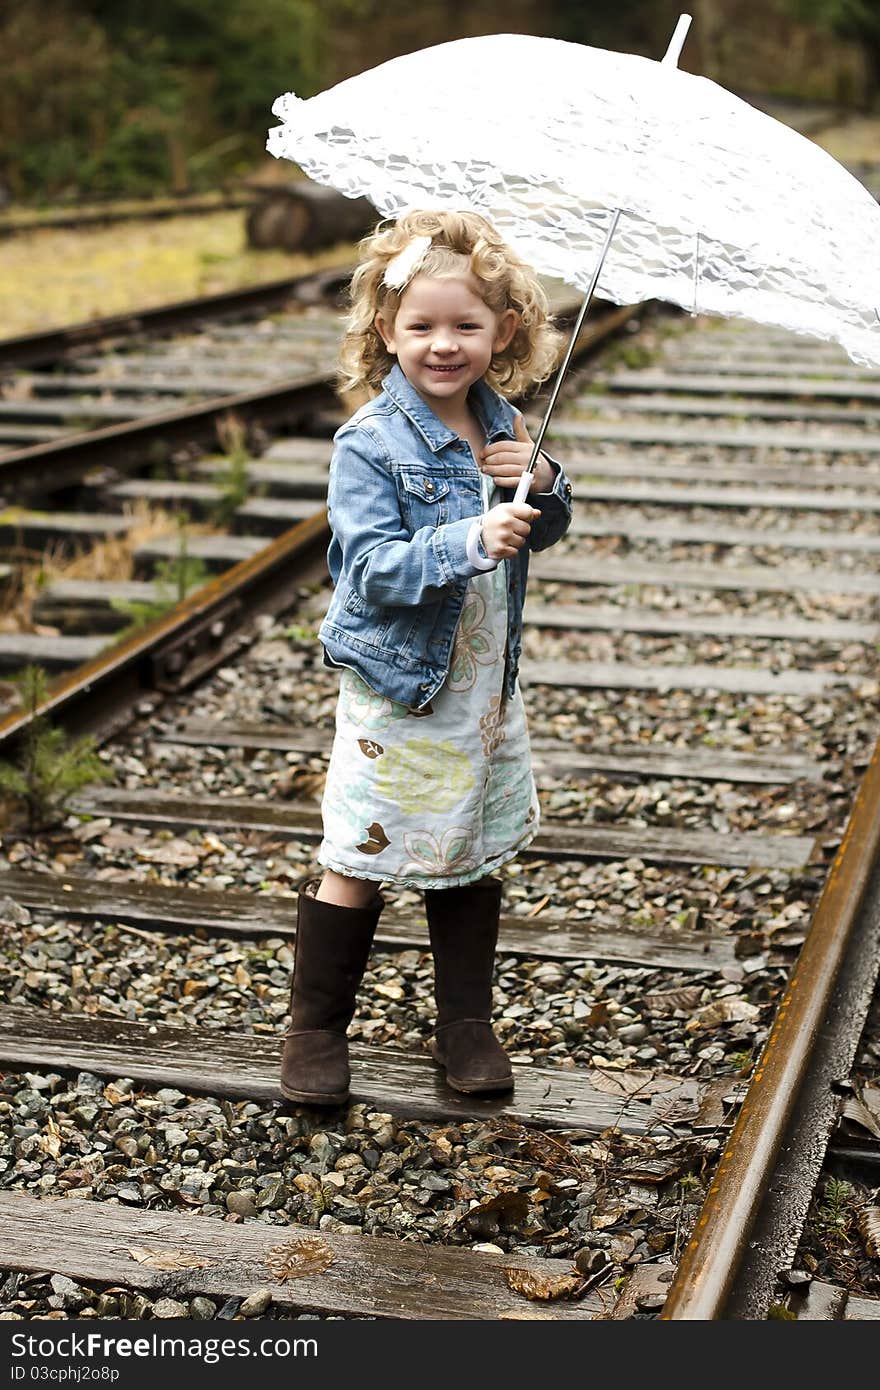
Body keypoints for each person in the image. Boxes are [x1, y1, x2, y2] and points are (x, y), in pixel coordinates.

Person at [280, 208, 574, 1106]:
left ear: (505, 331)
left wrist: (545, 482)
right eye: (422, 327)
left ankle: (465, 1026)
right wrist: (468, 535)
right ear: (385, 329)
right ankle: (317, 1031)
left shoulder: (506, 425)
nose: (443, 346)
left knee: (471, 851)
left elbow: (543, 526)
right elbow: (368, 573)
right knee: (359, 854)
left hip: (482, 687)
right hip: (401, 687)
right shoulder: (369, 443)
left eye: (466, 327)